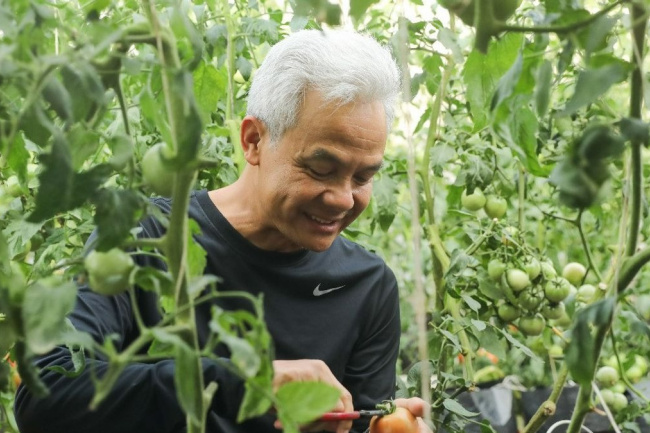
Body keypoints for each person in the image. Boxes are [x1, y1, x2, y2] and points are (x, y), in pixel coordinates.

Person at [14, 29, 431, 433]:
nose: (343, 198)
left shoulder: (369, 286)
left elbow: (360, 420)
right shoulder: (149, 235)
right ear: (253, 141)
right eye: (322, 169)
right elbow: (46, 394)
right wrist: (236, 382)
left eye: (362, 177)